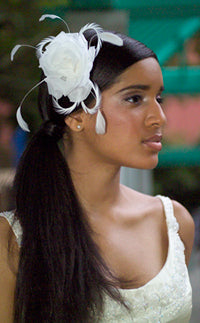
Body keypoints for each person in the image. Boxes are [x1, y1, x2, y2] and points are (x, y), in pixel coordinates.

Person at [0, 14, 194, 323]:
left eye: (159, 98)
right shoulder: (11, 239)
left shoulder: (174, 223)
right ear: (76, 117)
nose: (159, 117)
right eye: (134, 98)